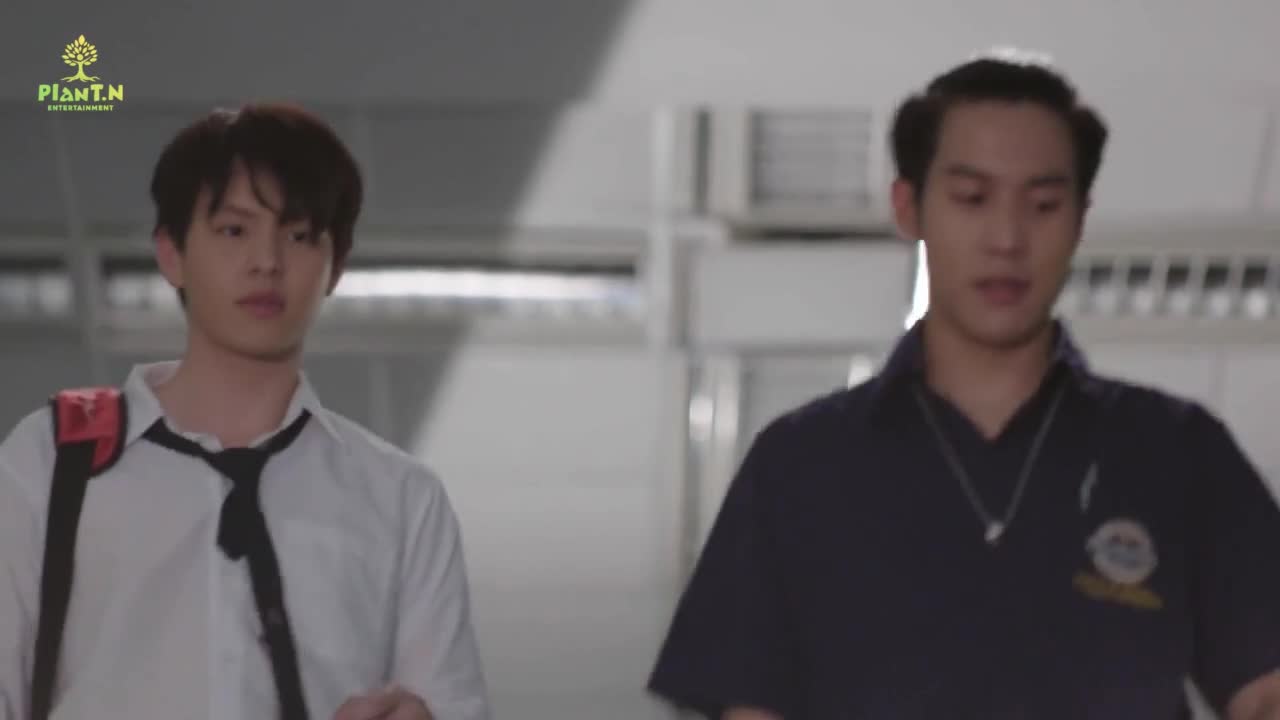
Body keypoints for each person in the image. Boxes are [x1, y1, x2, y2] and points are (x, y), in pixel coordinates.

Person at [647, 52, 1280, 719]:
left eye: (1043, 205)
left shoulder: (1176, 452)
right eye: (972, 199)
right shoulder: (801, 464)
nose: (1007, 238)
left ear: (1080, 219)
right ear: (909, 207)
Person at [0, 104, 491, 719]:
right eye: (234, 231)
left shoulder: (401, 499)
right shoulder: (52, 460)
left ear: (334, 267)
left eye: (299, 235)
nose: (267, 261)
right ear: (172, 253)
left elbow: (449, 704)